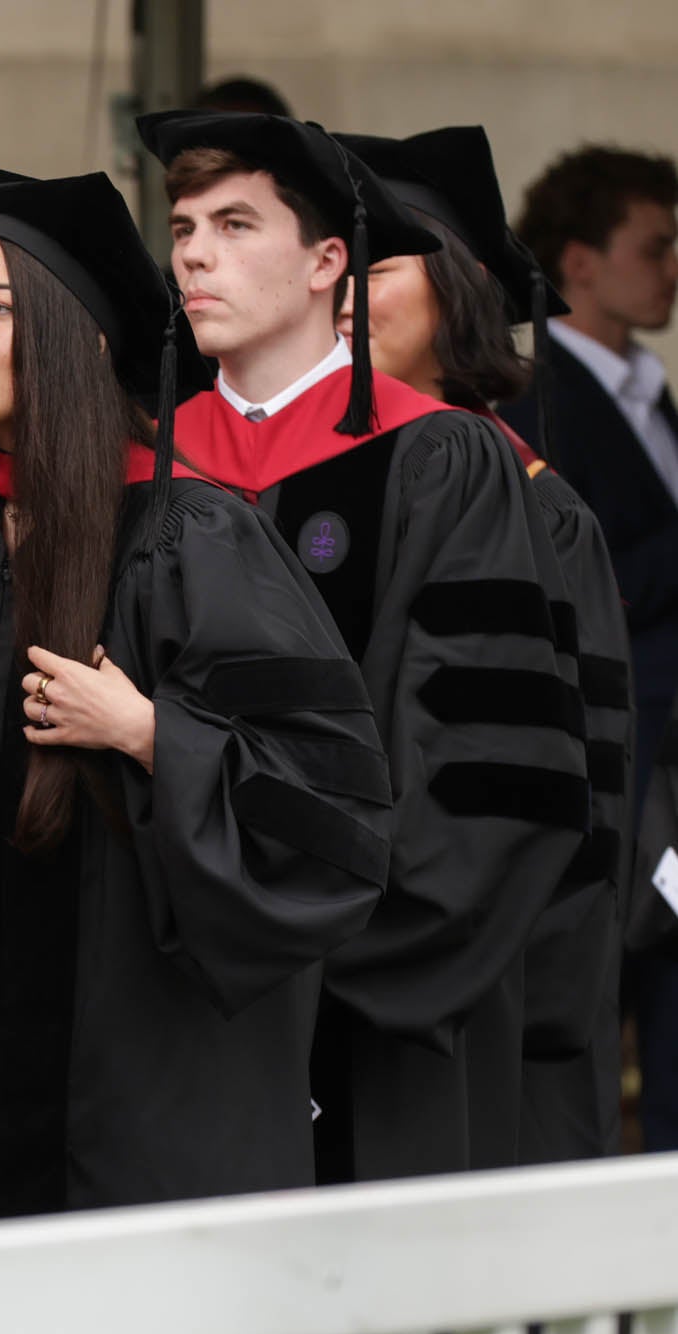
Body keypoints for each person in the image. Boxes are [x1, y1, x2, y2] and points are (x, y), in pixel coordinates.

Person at [0, 163, 389, 1222]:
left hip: (128, 1110)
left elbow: (335, 815)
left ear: (82, 340)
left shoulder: (187, 540)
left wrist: (148, 733)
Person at [141, 110, 586, 1182]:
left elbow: (491, 770)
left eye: (235, 223)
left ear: (326, 263)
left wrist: (335, 962)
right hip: (158, 1007)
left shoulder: (446, 466)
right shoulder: (149, 468)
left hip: (376, 996)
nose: (195, 251)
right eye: (184, 226)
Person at [335, 125, 631, 1163]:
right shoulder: (302, 494)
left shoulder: (541, 515)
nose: (345, 292)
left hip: (478, 988)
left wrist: (371, 945)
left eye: (378, 263)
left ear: (460, 290)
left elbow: (553, 801)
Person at [500, 145, 678, 1152]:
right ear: (578, 261)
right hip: (620, 765)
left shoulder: (648, 390)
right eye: (652, 247)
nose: (671, 267)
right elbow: (581, 575)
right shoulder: (540, 394)